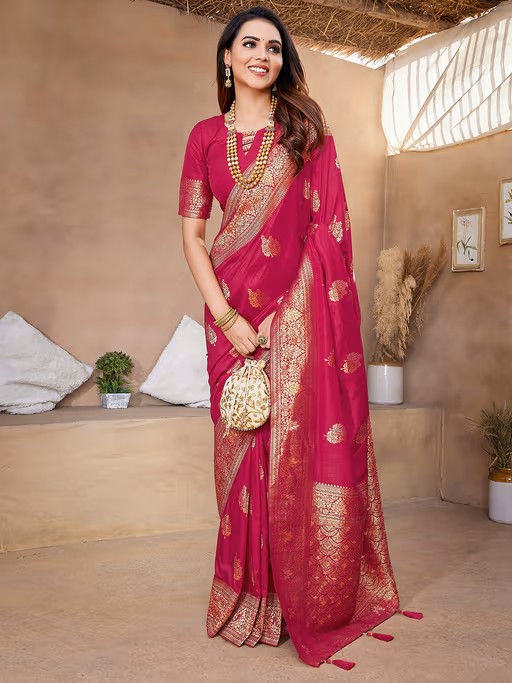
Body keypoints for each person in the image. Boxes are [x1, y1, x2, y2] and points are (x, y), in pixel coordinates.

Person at [178, 5, 420, 670]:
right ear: (227, 57)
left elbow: (327, 228)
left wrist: (284, 315)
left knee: (289, 451)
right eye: (249, 44)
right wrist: (228, 317)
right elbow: (193, 236)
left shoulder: (304, 128)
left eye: (274, 47)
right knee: (239, 454)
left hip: (295, 318)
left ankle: (295, 598)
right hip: (229, 317)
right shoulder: (204, 137)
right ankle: (247, 595)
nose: (263, 55)